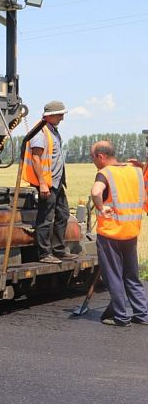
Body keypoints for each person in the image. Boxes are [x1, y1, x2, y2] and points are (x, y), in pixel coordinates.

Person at [89, 140, 148, 327]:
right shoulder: (135, 170)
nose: (93, 161)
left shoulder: (105, 173)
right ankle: (142, 314)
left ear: (101, 156)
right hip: (131, 232)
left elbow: (96, 192)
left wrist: (101, 207)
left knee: (113, 276)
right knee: (132, 276)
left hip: (111, 234)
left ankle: (120, 317)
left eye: (93, 157)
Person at [21, 100, 76, 264]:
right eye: (59, 115)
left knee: (63, 214)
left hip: (57, 182)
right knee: (45, 218)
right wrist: (43, 183)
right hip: (47, 183)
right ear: (50, 115)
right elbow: (36, 158)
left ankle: (58, 250)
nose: (62, 118)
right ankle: (44, 254)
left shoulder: (52, 131)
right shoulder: (40, 132)